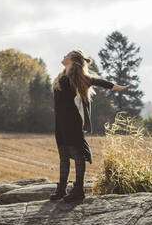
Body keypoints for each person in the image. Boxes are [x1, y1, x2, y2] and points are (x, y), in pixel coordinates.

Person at [49, 49, 134, 202]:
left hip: (73, 123)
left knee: (78, 156)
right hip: (60, 123)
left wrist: (120, 88)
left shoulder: (79, 78)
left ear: (73, 60)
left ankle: (78, 191)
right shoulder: (61, 76)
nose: (63, 56)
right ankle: (61, 189)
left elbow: (100, 82)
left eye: (66, 55)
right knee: (63, 157)